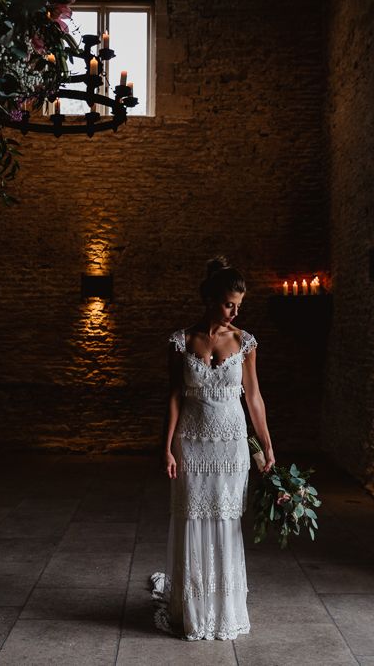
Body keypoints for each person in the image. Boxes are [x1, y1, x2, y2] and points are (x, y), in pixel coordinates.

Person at [150, 255, 276, 641]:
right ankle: (192, 608)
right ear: (209, 298)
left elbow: (253, 397)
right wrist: (167, 446)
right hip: (192, 444)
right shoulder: (181, 341)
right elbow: (174, 396)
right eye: (228, 304)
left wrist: (267, 447)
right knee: (191, 521)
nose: (235, 312)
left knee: (224, 525)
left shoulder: (244, 341)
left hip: (232, 446)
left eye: (240, 305)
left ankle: (223, 609)